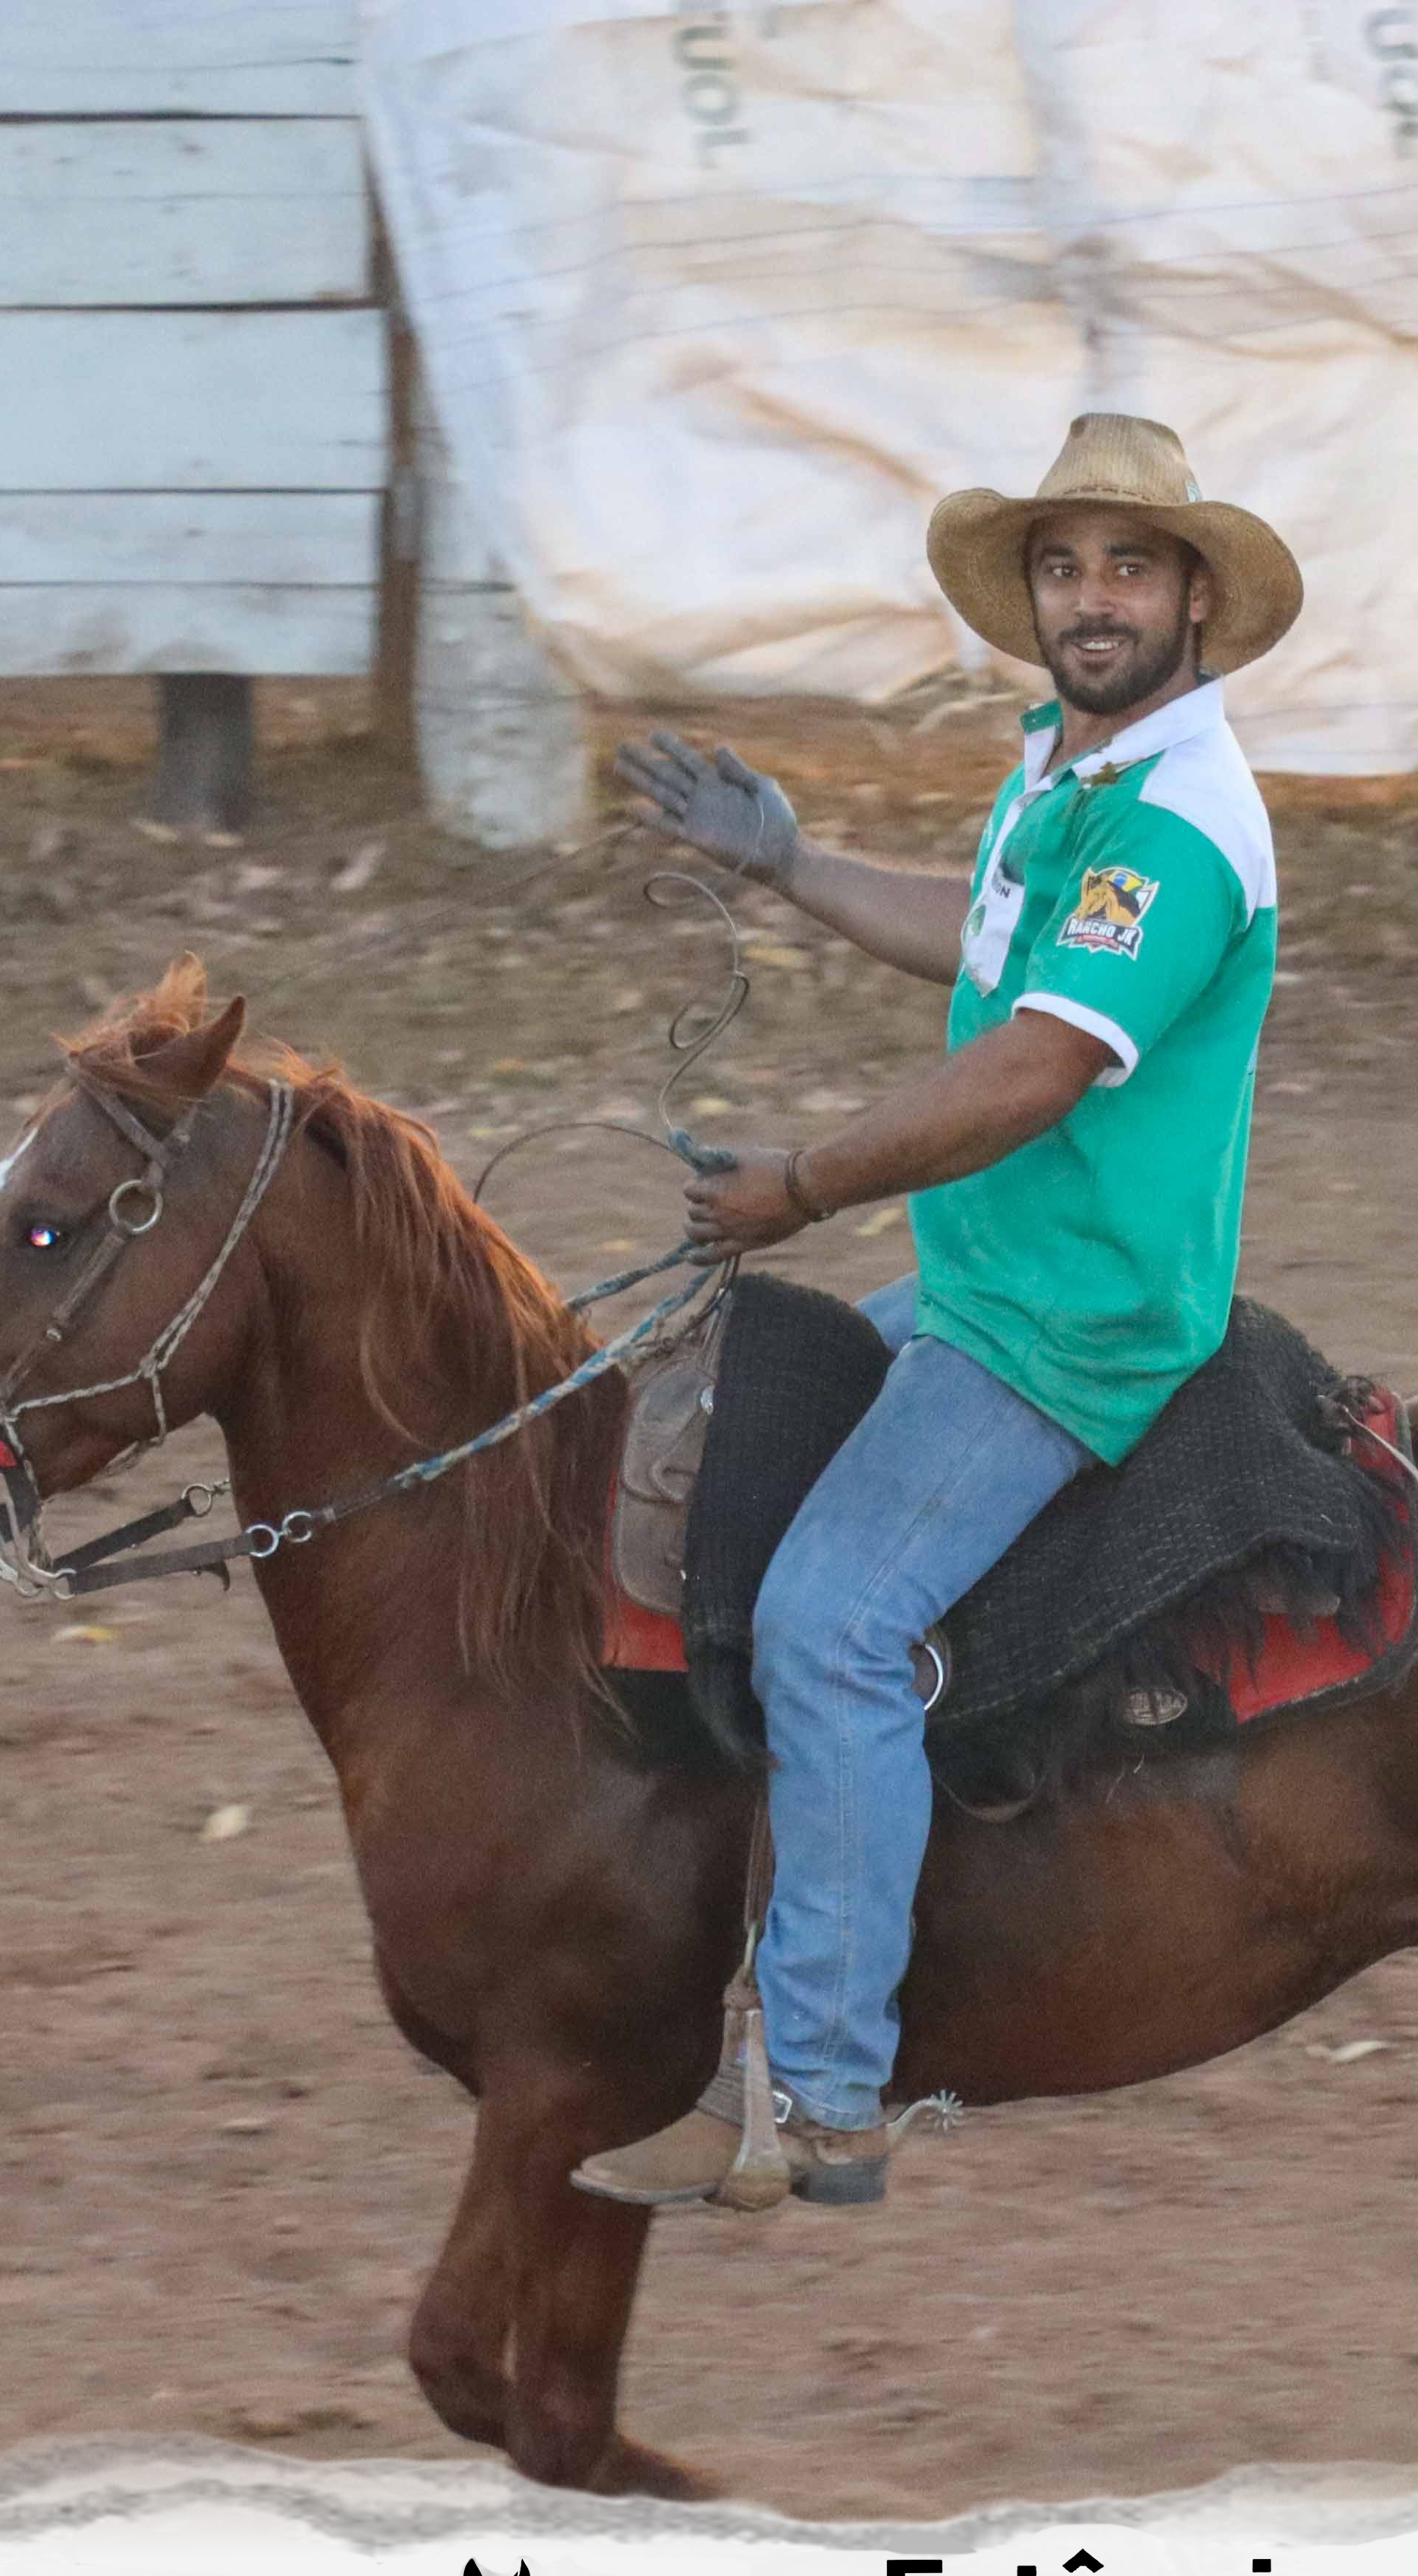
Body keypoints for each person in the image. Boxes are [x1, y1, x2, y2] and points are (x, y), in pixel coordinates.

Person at [574, 414, 1302, 2212]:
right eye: (1063, 566)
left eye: (1128, 566)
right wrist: (792, 862)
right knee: (697, 1445)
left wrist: (806, 1185)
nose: (1091, 598)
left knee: (830, 1619)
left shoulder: (1179, 823)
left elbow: (1038, 1062)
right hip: (989, 1274)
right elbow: (986, 945)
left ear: (1194, 598)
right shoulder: (1070, 768)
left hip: (1071, 1320)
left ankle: (825, 2092)